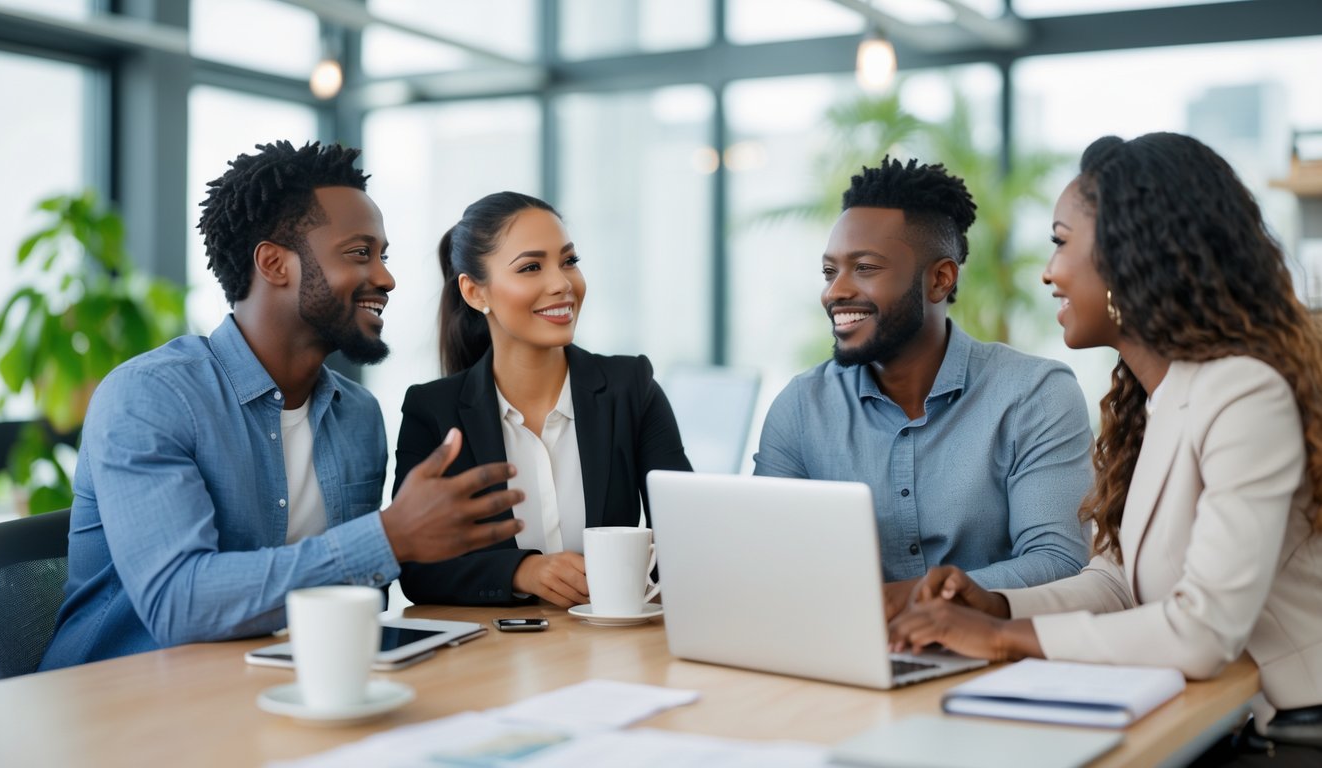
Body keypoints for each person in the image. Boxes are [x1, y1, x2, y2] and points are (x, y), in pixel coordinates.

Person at [889, 133, 1322, 758]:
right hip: (1229, 723)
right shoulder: (1157, 398)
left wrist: (1005, 639)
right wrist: (997, 605)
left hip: (1295, 729)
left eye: (1061, 242)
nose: (1048, 271)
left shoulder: (1243, 393)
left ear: (1127, 257)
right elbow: (1119, 583)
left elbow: (1201, 632)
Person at [40, 141, 524, 670]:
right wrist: (391, 536)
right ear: (274, 263)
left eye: (383, 255)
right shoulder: (151, 397)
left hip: (281, 689)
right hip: (118, 710)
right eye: (360, 253)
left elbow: (354, 598)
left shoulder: (357, 415)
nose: (386, 278)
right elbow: (178, 603)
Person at [753, 157, 1092, 618]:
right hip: (847, 657)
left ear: (940, 279)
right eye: (830, 272)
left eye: (865, 268)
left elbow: (1059, 563)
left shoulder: (1034, 394)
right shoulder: (800, 407)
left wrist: (903, 600)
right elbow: (766, 564)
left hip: (992, 659)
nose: (835, 292)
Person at [394, 191, 692, 608]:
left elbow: (689, 537)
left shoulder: (631, 388)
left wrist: (631, 583)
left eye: (569, 261)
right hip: (493, 658)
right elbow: (416, 568)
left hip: (611, 646)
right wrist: (522, 571)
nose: (561, 283)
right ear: (475, 292)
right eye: (531, 267)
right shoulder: (433, 411)